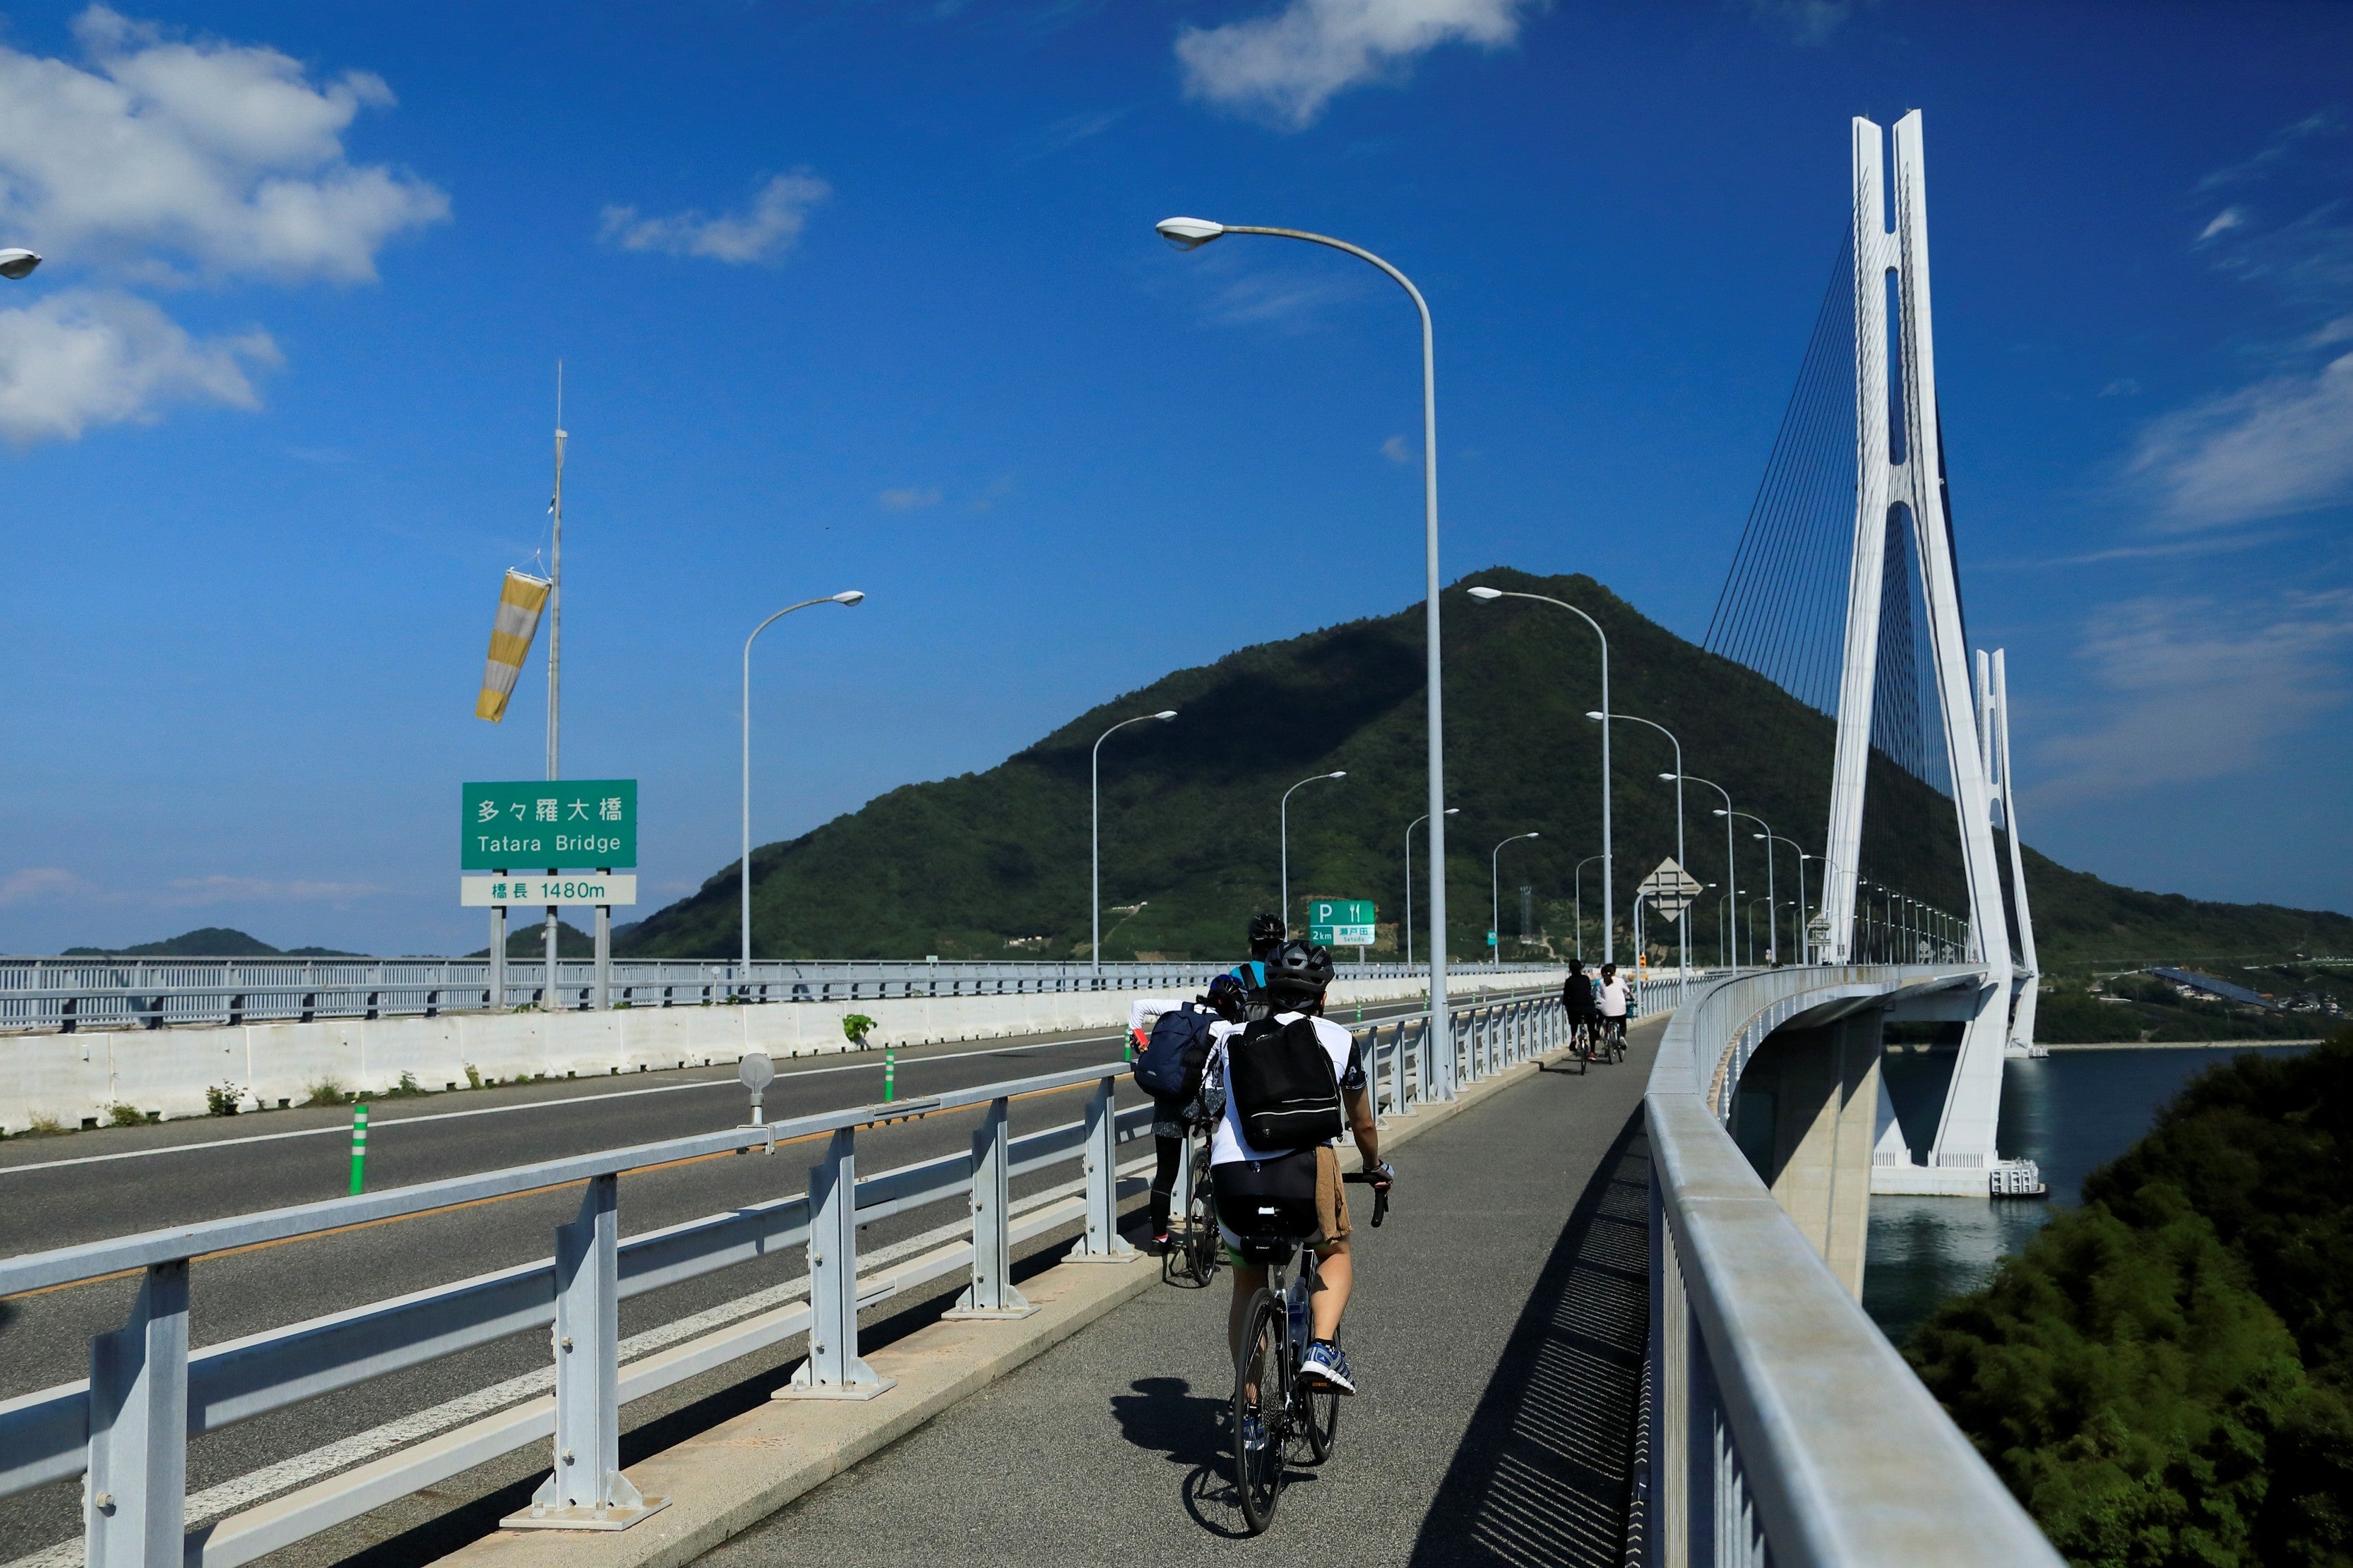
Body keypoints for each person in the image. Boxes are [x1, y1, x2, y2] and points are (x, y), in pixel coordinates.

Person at [1208, 940, 1391, 1401]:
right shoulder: (1338, 1040)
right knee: (1335, 1251)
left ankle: (1249, 1410)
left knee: (1247, 1282)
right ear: (1322, 995)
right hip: (1302, 1173)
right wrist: (1375, 1165)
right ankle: (1324, 1349)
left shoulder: (1229, 1039)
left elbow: (1207, 1107)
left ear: (1268, 992)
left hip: (1232, 1177)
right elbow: (1363, 1122)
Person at [1561, 959, 1597, 1055]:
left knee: (1574, 1021)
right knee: (1591, 1029)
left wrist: (1566, 1004)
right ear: (1581, 968)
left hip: (1575, 1009)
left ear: (1570, 969)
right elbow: (1588, 991)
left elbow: (1566, 997)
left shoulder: (1569, 981)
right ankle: (1593, 1052)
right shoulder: (1586, 979)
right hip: (1589, 1008)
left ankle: (1573, 1036)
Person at [1595, 962, 1630, 1057]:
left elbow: (1599, 995)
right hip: (1620, 1010)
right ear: (1615, 971)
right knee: (1622, 1022)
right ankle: (1622, 1036)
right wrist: (1633, 998)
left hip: (1606, 1010)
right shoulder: (1621, 981)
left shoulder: (1601, 982)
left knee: (1605, 1017)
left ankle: (1603, 1033)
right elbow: (1629, 992)